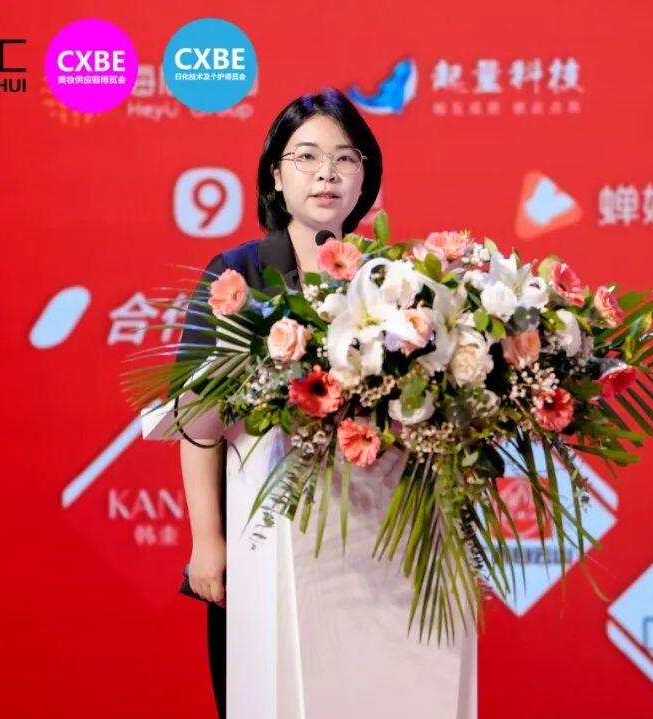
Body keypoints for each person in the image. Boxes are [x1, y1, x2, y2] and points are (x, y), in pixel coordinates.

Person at [177, 88, 475, 719]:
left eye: (345, 158)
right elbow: (196, 418)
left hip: (376, 556)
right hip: (261, 550)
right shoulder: (237, 276)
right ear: (275, 176)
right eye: (307, 157)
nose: (327, 173)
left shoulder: (395, 279)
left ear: (365, 178)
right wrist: (208, 540)